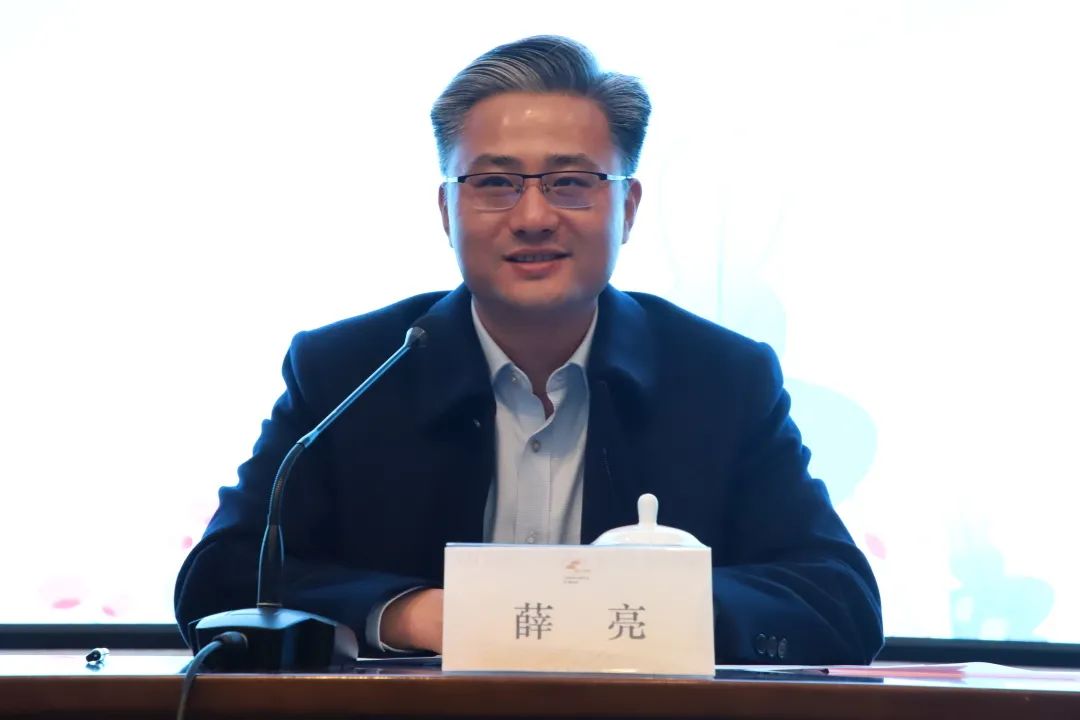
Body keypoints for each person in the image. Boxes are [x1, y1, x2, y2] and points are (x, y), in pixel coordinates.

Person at [174, 35, 883, 664]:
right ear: (447, 209)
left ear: (628, 208)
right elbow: (221, 576)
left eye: (571, 183)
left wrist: (649, 609)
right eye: (495, 184)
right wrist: (413, 614)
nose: (534, 216)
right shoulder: (351, 370)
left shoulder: (721, 378)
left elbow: (837, 600)